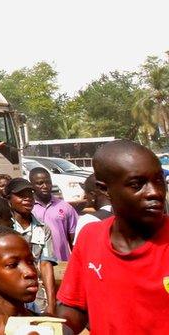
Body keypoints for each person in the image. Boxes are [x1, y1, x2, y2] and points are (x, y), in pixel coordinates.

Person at [56, 140, 169, 335]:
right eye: (137, 185)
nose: (155, 192)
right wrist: (48, 329)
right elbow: (74, 310)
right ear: (104, 189)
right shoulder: (90, 237)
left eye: (159, 180)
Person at [4, 178, 56, 314]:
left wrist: (51, 304)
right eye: (21, 195)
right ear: (9, 199)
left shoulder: (43, 229)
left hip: (37, 299)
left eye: (30, 195)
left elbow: (46, 265)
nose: (27, 199)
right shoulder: (5, 228)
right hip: (10, 298)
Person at [28, 167, 77, 262]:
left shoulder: (65, 207)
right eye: (40, 183)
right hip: (36, 264)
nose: (45, 186)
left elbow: (74, 240)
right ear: (31, 185)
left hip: (61, 263)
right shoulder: (27, 207)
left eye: (48, 182)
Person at [73, 174, 112, 244]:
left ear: (92, 195)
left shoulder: (87, 221)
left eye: (86, 193)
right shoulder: (126, 214)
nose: (85, 196)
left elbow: (79, 252)